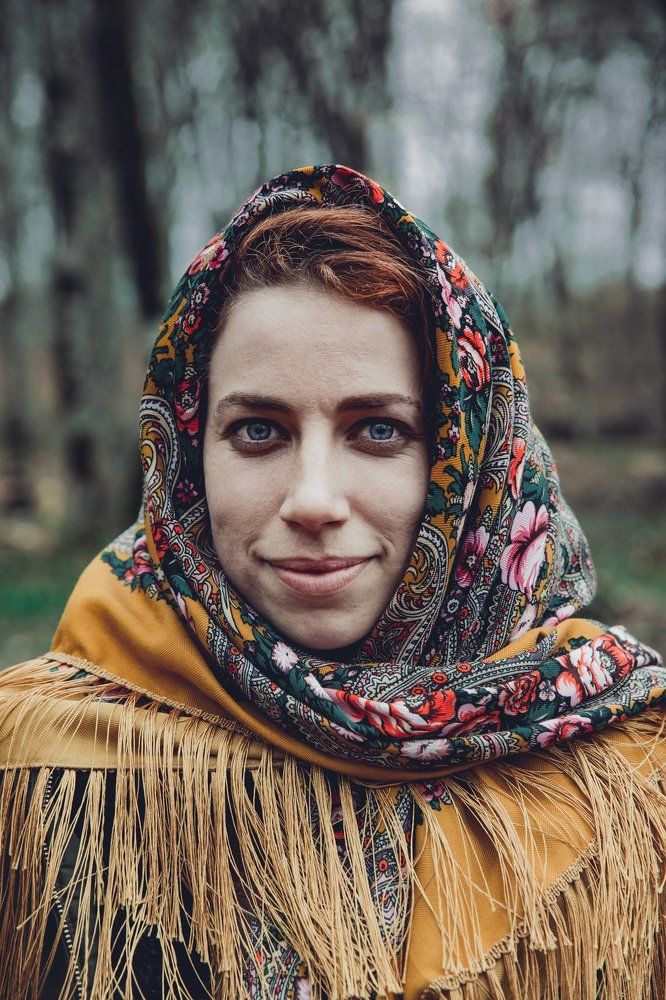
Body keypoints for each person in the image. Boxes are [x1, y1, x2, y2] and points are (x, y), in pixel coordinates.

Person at [0, 164, 663, 1000]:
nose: (313, 499)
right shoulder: (37, 776)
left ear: (472, 464)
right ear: (187, 458)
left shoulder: (635, 783)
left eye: (379, 429)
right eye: (258, 431)